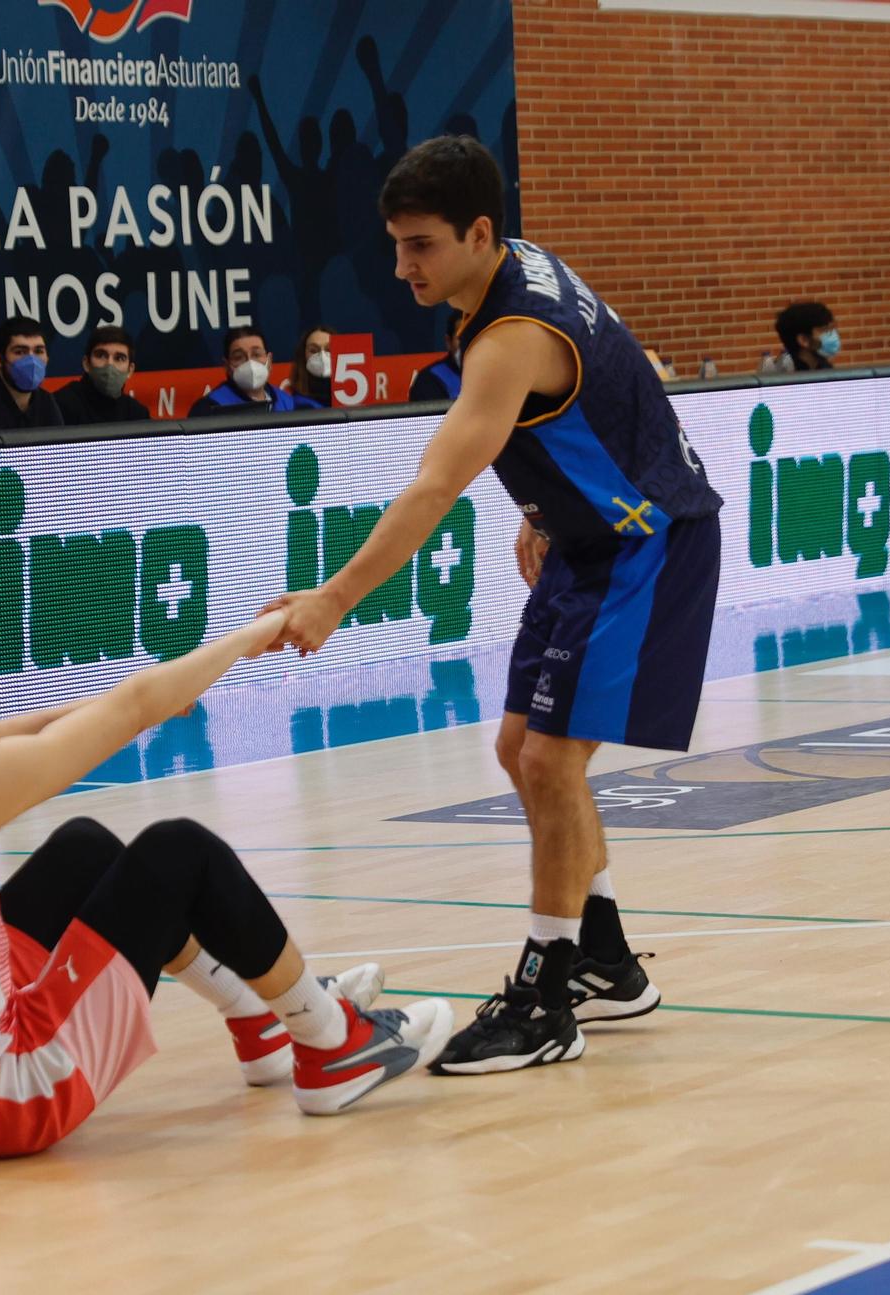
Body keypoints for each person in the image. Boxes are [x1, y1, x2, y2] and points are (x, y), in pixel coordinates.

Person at [267, 135, 724, 1076]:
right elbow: (607, 387)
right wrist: (544, 501)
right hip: (590, 535)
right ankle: (604, 957)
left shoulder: (511, 334)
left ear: (479, 232)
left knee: (552, 761)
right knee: (520, 751)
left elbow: (433, 487)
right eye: (396, 245)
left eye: (421, 246)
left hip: (645, 545)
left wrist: (336, 597)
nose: (402, 267)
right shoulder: (508, 272)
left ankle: (547, 993)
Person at [0, 606, 451, 1158]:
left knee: (82, 848)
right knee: (178, 851)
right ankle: (331, 1044)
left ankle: (254, 1021)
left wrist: (92, 710)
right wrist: (255, 634)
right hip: (0, 1102)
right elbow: (136, 706)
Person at [188, 327, 323, 417]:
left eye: (256, 354)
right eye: (239, 357)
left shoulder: (288, 403)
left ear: (269, 361)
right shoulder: (209, 408)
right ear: (227, 366)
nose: (249, 362)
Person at [54, 325, 151, 427]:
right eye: (101, 355)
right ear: (86, 364)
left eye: (119, 358)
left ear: (130, 370)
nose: (110, 364)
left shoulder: (137, 414)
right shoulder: (61, 405)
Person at [762, 302, 837, 374]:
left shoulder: (827, 370)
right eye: (825, 330)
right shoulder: (786, 380)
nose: (833, 335)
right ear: (804, 340)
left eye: (832, 329)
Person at [409, 312, 463, 401]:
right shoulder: (429, 380)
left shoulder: (490, 375)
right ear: (448, 342)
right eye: (461, 337)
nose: (468, 343)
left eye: (474, 337)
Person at [285, 324, 336, 408]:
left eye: (329, 349)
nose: (322, 356)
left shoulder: (352, 397)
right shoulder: (292, 403)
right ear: (303, 357)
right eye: (313, 350)